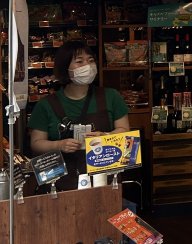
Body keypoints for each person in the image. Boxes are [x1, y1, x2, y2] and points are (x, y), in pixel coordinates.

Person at [29, 40, 131, 188]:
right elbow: (36, 144)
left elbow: (125, 132)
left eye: (90, 60)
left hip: (105, 180)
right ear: (64, 67)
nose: (87, 66)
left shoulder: (111, 96)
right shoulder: (45, 105)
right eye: (79, 61)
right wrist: (59, 145)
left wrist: (105, 137)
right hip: (61, 184)